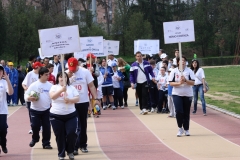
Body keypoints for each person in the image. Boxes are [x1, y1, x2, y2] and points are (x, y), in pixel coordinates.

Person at [66, 57, 99, 155]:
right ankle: (74, 146)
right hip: (71, 103)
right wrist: (67, 78)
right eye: (71, 69)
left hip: (83, 102)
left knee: (82, 124)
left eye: (74, 69)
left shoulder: (85, 72)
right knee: (73, 126)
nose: (73, 71)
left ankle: (83, 144)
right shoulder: (65, 73)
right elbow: (60, 86)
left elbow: (91, 86)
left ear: (77, 65)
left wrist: (96, 99)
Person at [49, 72, 79, 160]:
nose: (62, 79)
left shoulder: (72, 88)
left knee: (71, 133)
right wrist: (61, 90)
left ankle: (70, 151)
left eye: (64, 77)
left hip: (70, 115)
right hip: (56, 115)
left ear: (67, 78)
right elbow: (52, 97)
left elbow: (77, 98)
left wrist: (69, 100)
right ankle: (61, 154)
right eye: (60, 77)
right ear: (58, 78)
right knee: (59, 135)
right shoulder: (54, 87)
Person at [24, 67, 53, 149]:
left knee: (47, 127)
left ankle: (46, 143)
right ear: (41, 75)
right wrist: (29, 98)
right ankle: (35, 138)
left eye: (49, 74)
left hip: (46, 110)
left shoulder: (50, 86)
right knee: (35, 126)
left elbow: (52, 98)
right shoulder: (34, 85)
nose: (48, 76)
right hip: (35, 110)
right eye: (46, 75)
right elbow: (26, 95)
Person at [169, 56, 195, 137]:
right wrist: (179, 83)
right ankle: (180, 128)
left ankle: (186, 129)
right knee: (179, 111)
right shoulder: (174, 71)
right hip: (177, 94)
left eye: (184, 60)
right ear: (178, 62)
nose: (182, 62)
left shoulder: (189, 71)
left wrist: (186, 80)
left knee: (186, 112)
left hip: (187, 94)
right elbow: (171, 83)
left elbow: (193, 83)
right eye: (181, 60)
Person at [22, 61, 44, 134]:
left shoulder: (41, 75)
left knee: (40, 111)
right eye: (40, 66)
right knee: (31, 113)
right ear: (37, 67)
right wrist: (26, 88)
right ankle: (32, 127)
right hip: (30, 96)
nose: (41, 68)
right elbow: (23, 83)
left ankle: (41, 126)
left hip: (38, 96)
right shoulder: (29, 74)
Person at [0, 65, 13, 154]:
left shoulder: (4, 82)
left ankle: (3, 144)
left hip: (2, 110)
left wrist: (8, 80)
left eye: (1, 71)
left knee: (3, 129)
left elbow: (11, 92)